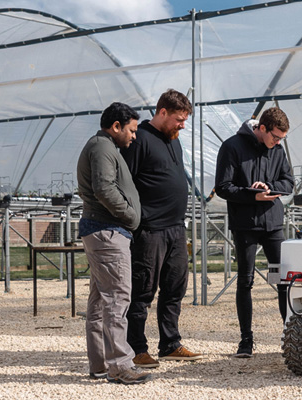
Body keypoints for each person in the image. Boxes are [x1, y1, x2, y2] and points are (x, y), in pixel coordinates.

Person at [120, 89, 203, 368]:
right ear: (162, 112)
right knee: (143, 291)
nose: (182, 125)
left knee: (174, 288)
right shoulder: (140, 138)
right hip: (150, 229)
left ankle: (170, 343)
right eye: (179, 119)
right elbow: (125, 183)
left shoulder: (173, 140)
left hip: (176, 229)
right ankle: (136, 348)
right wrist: (136, 220)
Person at [77, 102, 151, 384]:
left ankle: (99, 364)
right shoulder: (102, 147)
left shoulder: (104, 146)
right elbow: (104, 187)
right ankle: (120, 365)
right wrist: (131, 215)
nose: (134, 136)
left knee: (99, 300)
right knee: (117, 299)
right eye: (131, 130)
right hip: (107, 231)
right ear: (116, 126)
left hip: (102, 230)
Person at [214, 107, 295, 358]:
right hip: (245, 224)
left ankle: (289, 336)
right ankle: (246, 341)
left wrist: (269, 187)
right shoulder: (232, 147)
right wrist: (252, 194)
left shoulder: (278, 151)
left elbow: (289, 183)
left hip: (272, 224)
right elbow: (223, 187)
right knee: (245, 280)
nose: (278, 142)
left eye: (281, 138)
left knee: (282, 280)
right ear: (262, 128)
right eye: (275, 137)